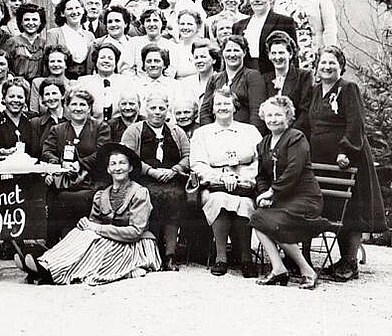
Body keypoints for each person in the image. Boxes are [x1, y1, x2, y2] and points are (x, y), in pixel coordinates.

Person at [19, 143, 161, 285]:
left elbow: (135, 232)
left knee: (98, 245)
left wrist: (96, 228)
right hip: (111, 239)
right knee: (81, 232)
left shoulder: (139, 193)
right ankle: (45, 263)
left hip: (136, 245)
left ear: (130, 168)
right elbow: (95, 223)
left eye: (122, 163)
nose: (118, 167)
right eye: (113, 164)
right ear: (108, 169)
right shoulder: (102, 194)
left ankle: (50, 272)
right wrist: (87, 225)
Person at [305, 46, 387, 281]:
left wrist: (346, 151)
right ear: (317, 66)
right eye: (323, 63)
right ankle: (327, 258)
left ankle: (349, 261)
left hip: (346, 158)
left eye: (332, 62)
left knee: (349, 209)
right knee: (330, 206)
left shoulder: (348, 89)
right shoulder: (314, 91)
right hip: (319, 159)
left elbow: (355, 123)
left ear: (341, 66)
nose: (327, 67)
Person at [250, 96, 328, 289]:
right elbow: (261, 176)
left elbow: (295, 169)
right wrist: (263, 195)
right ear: (263, 117)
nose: (273, 119)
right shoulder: (263, 143)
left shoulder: (296, 138)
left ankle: (307, 271)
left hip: (305, 199)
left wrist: (272, 193)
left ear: (288, 116)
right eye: (269, 115)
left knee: (273, 222)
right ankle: (278, 269)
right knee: (259, 218)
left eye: (278, 114)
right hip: (281, 200)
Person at [190, 87, 262, 277]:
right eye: (218, 104)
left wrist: (242, 178)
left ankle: (246, 258)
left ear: (235, 107)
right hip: (214, 186)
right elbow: (197, 163)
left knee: (245, 203)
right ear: (212, 109)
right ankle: (221, 257)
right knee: (220, 200)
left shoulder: (250, 131)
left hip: (244, 185)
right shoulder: (202, 133)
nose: (222, 107)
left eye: (226, 103)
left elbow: (260, 160)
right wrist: (221, 177)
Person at [121, 91, 191, 271]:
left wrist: (174, 170)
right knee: (149, 197)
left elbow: (188, 156)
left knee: (174, 197)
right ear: (146, 109)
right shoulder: (134, 130)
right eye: (153, 108)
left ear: (167, 110)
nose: (157, 112)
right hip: (143, 179)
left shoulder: (177, 131)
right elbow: (128, 157)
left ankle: (170, 255)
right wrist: (151, 171)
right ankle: (151, 253)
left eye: (162, 108)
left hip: (172, 179)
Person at [41, 88, 111, 243]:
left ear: (90, 108)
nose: (78, 108)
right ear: (66, 107)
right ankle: (53, 247)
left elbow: (103, 152)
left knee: (75, 199)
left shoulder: (101, 127)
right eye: (74, 104)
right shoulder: (57, 129)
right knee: (54, 198)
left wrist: (81, 165)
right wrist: (61, 164)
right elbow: (47, 152)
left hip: (91, 182)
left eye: (83, 104)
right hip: (63, 181)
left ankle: (78, 245)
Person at [200, 35, 267, 133]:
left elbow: (257, 112)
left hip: (243, 133)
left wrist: (252, 136)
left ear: (244, 53)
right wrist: (211, 133)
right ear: (222, 53)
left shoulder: (252, 76)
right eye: (228, 50)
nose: (232, 55)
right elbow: (205, 112)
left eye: (236, 50)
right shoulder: (214, 79)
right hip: (217, 134)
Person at [232, 0, 297, 75]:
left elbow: (293, 55)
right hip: (246, 78)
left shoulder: (284, 22)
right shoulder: (238, 26)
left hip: (273, 76)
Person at [262, 30, 313, 129]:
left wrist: (289, 135)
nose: (277, 57)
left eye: (281, 53)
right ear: (269, 55)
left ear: (290, 54)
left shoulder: (304, 76)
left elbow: (305, 111)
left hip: (296, 133)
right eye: (273, 53)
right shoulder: (264, 79)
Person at [76, 43, 132, 121]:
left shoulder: (126, 82)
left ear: (115, 63)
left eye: (110, 58)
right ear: (96, 61)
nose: (106, 61)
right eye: (102, 58)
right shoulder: (84, 82)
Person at [45, 0, 95, 79]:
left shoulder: (89, 36)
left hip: (85, 82)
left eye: (77, 8)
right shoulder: (54, 34)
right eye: (69, 9)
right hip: (61, 82)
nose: (74, 12)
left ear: (83, 10)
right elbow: (48, 63)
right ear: (62, 13)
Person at [123, 8, 178, 78]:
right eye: (148, 21)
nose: (152, 24)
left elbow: (171, 71)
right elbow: (126, 70)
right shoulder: (134, 43)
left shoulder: (171, 46)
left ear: (162, 24)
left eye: (155, 20)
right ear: (143, 24)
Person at [0, 78, 34, 152]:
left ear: (25, 99)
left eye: (20, 97)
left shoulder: (32, 119)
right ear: (4, 98)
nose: (16, 100)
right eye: (11, 96)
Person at [3, 3, 47, 82]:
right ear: (21, 22)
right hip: (17, 86)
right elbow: (6, 66)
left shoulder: (44, 44)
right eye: (27, 20)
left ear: (40, 22)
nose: (30, 23)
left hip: (38, 86)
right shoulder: (12, 42)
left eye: (34, 19)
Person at [133, 44, 179, 119]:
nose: (153, 64)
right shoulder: (135, 85)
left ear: (164, 65)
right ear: (144, 65)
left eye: (157, 61)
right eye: (149, 61)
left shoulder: (175, 85)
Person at [179, 39, 220, 119]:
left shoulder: (221, 81)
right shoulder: (185, 83)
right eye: (196, 58)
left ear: (214, 60)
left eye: (203, 57)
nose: (199, 61)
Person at [29, 45, 74, 114]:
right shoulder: (38, 83)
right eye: (52, 61)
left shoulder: (72, 85)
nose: (55, 65)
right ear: (47, 64)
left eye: (59, 61)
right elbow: (34, 111)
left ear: (66, 64)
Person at [27, 78, 66, 158]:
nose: (51, 98)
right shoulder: (36, 123)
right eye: (47, 94)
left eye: (54, 93)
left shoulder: (73, 120)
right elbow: (35, 153)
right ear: (42, 98)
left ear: (62, 95)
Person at [90, 5, 132, 74]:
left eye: (117, 21)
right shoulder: (97, 45)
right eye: (109, 22)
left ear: (126, 24)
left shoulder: (133, 43)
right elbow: (90, 71)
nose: (113, 24)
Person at [174, 10, 204, 79]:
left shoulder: (204, 48)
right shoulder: (174, 49)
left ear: (198, 27)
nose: (185, 27)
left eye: (189, 24)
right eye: (182, 24)